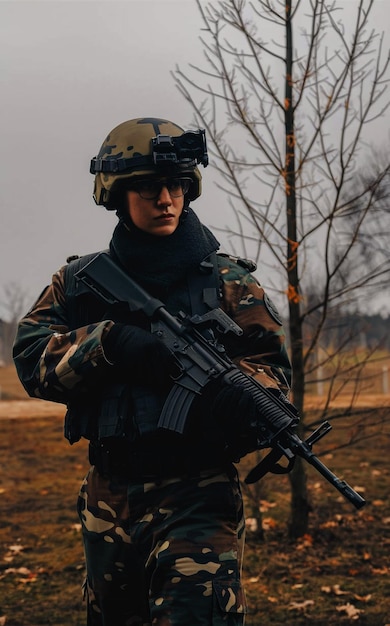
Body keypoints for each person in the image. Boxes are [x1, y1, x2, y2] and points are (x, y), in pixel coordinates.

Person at [13, 117, 292, 626]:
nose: (166, 198)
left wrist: (242, 396)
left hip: (199, 492)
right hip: (110, 497)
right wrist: (107, 343)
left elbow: (275, 372)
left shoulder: (230, 282)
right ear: (117, 194)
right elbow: (32, 360)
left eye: (177, 185)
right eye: (149, 186)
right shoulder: (78, 284)